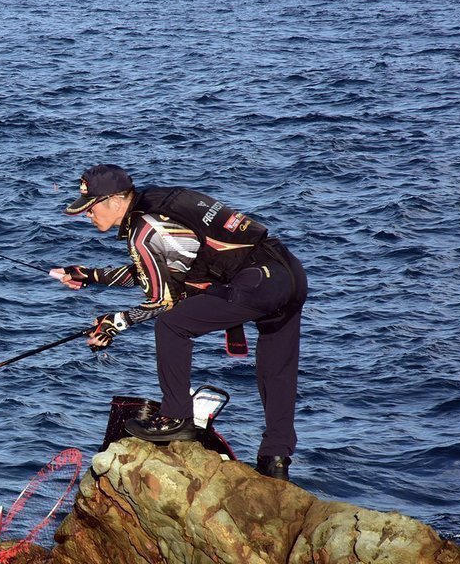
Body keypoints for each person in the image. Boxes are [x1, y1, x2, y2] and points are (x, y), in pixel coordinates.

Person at [50, 164, 308, 481]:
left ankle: (176, 417)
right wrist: (89, 276)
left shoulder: (143, 230)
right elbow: (162, 268)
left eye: (91, 208)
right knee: (276, 369)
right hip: (287, 272)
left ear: (116, 201)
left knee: (172, 324)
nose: (87, 215)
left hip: (257, 282)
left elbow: (163, 301)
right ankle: (275, 463)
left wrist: (113, 323)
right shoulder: (157, 203)